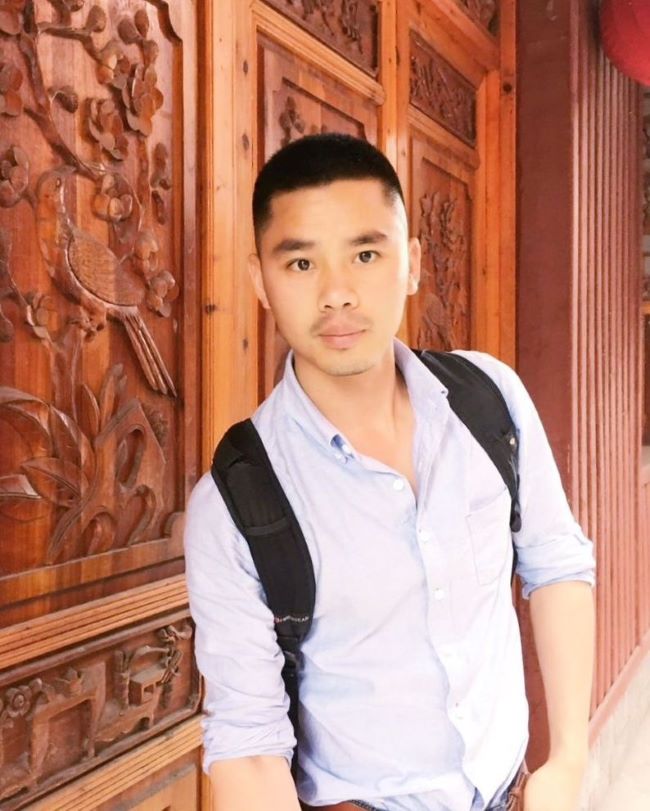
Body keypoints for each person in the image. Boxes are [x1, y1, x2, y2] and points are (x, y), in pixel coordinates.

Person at [184, 134, 596, 811]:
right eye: (301, 263)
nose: (337, 294)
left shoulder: (487, 399)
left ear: (412, 264)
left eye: (366, 254)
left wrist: (569, 761)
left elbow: (556, 566)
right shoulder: (235, 500)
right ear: (260, 281)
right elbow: (248, 745)